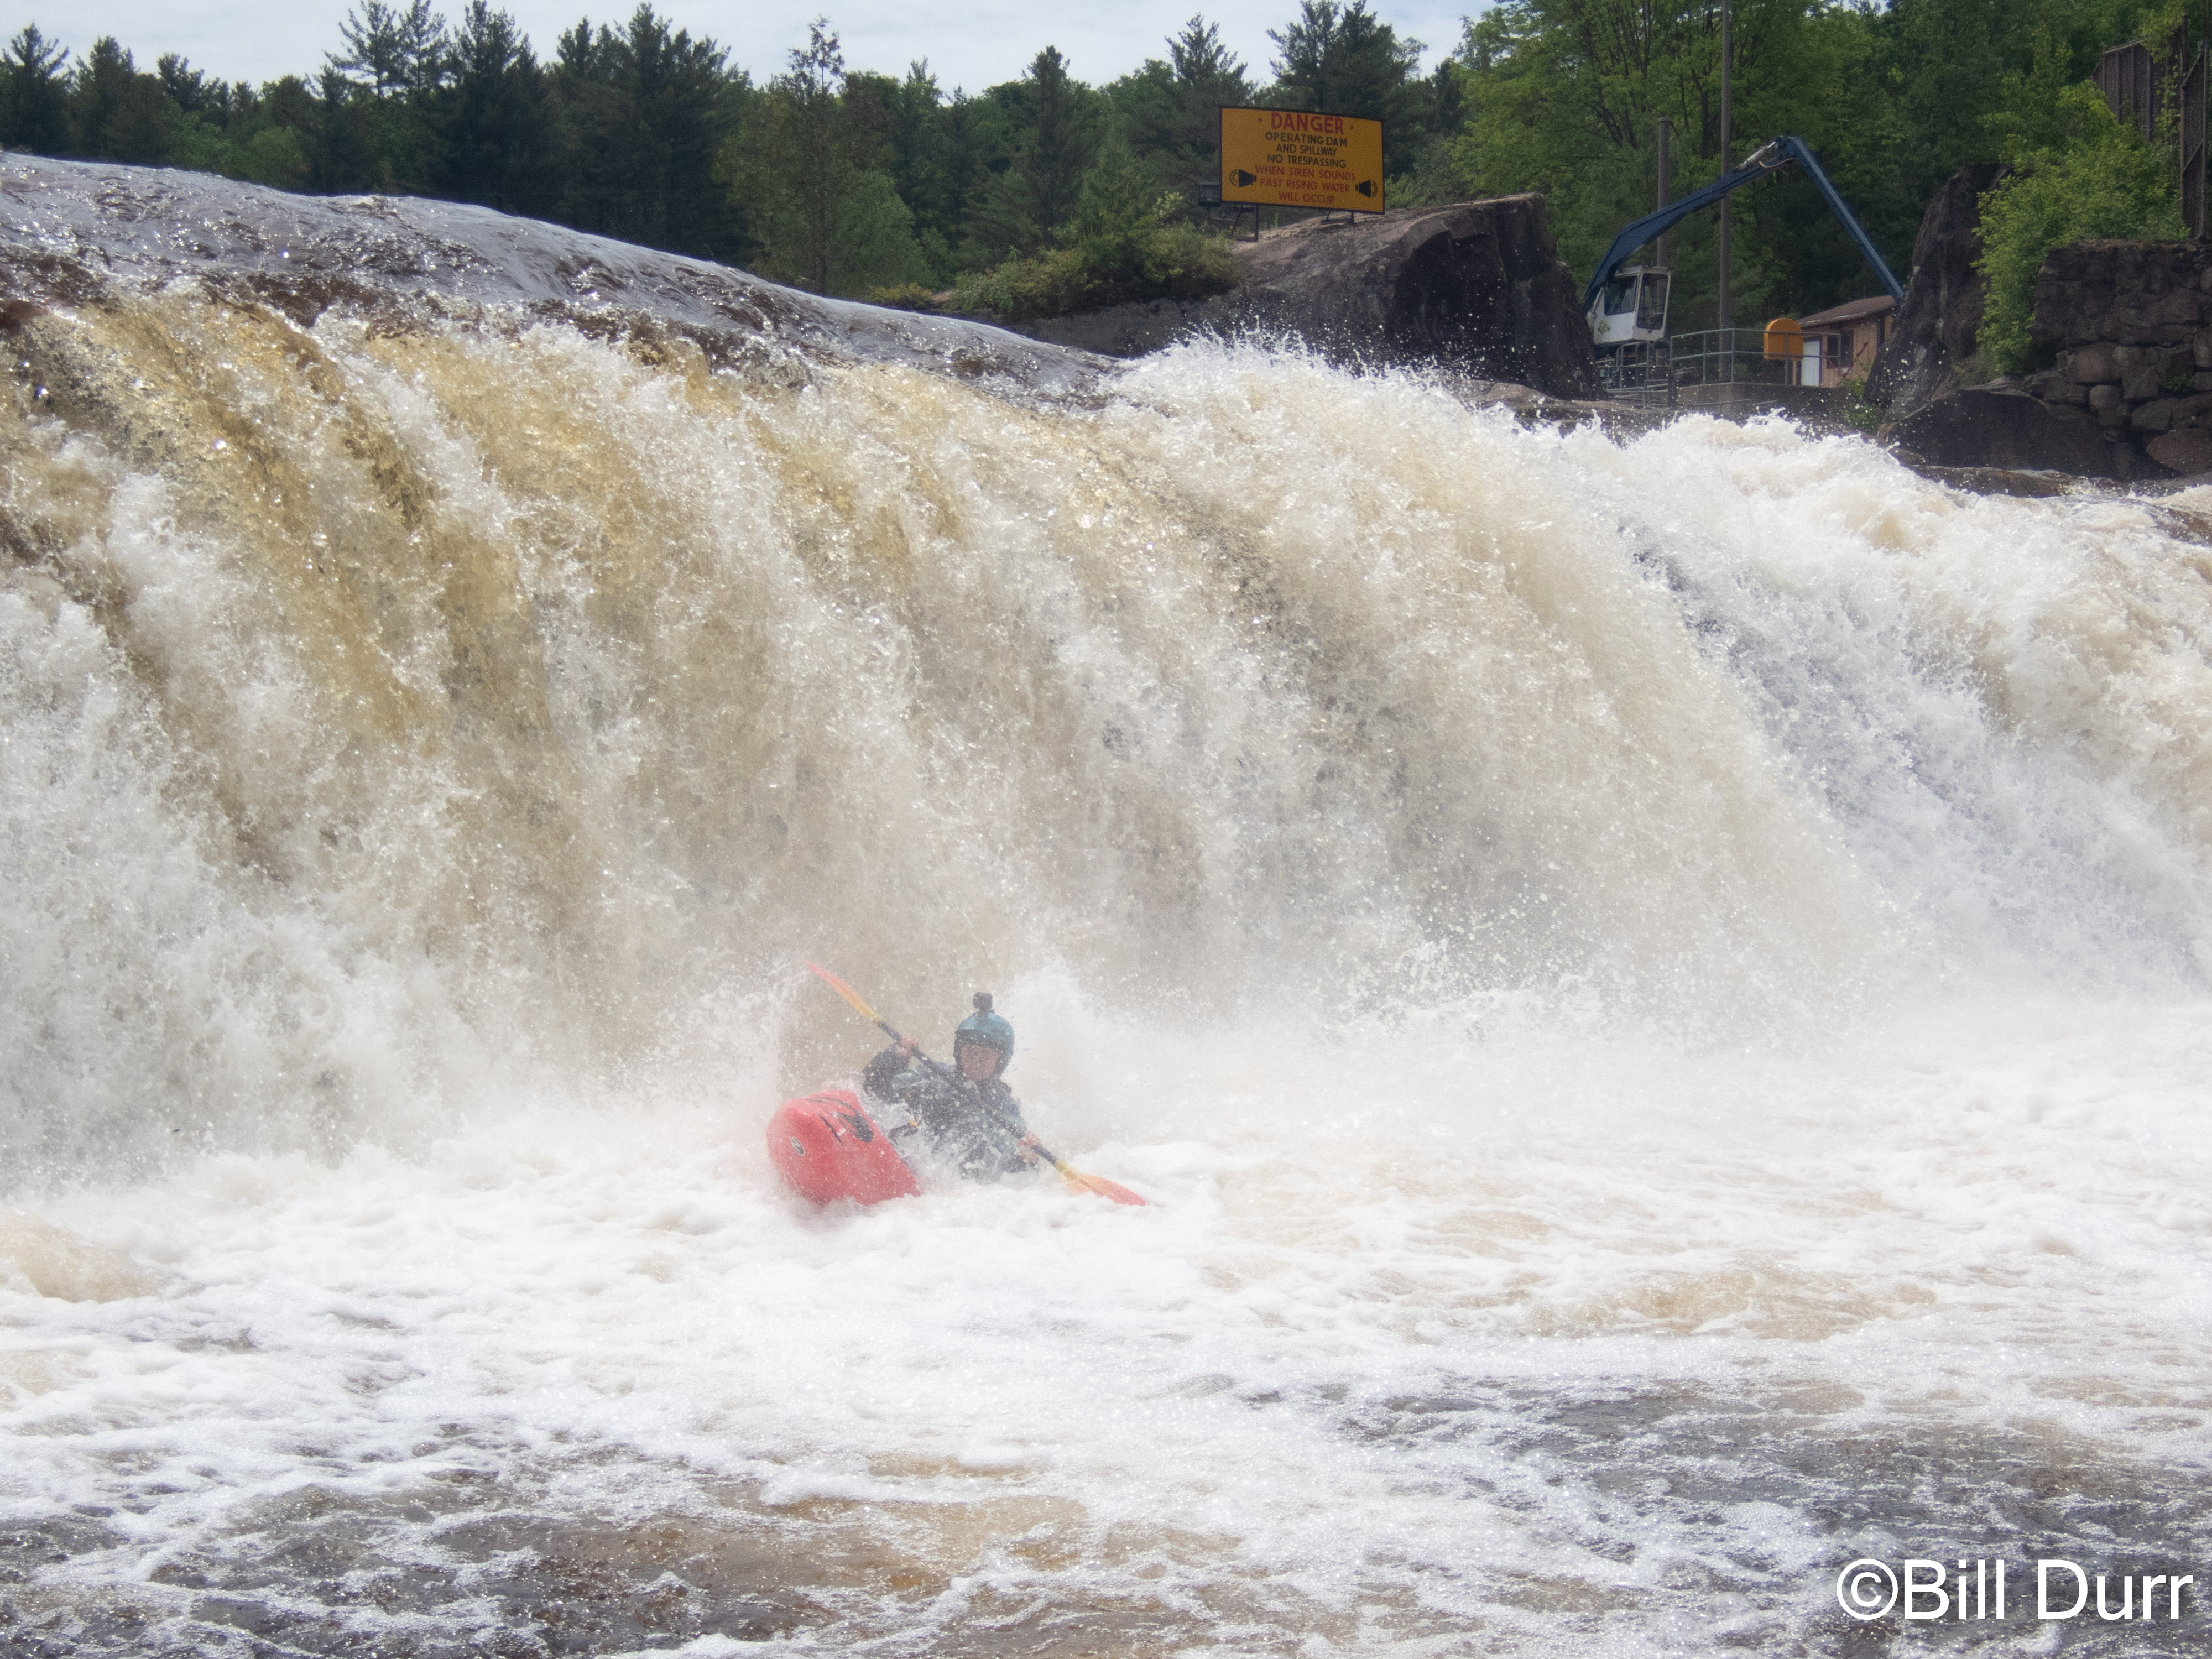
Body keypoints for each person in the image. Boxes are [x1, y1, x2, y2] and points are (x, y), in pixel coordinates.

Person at [860, 992, 1040, 1181]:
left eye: (985, 1054)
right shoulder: (933, 1074)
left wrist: (1026, 1158)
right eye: (970, 1050)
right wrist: (895, 1058)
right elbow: (874, 1090)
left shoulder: (1004, 1108)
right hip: (910, 1155)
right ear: (959, 1051)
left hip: (953, 1183)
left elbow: (1006, 1174)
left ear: (1001, 1061)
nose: (975, 1060)